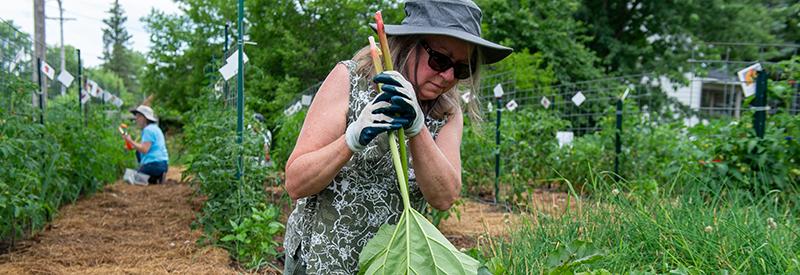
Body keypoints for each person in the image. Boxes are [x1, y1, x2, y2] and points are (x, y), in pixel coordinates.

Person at [282, 0, 512, 273]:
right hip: (321, 259)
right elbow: (295, 183)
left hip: (394, 264)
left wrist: (418, 129)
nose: (448, 76)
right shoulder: (352, 80)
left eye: (462, 69)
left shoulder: (447, 112)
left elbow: (444, 197)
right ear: (409, 44)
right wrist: (351, 139)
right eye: (440, 59)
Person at [122, 105, 169, 184]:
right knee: (137, 152)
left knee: (128, 177)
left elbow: (144, 149)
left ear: (144, 118)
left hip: (153, 164)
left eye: (138, 117)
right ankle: (155, 178)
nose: (136, 119)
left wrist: (130, 141)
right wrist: (133, 146)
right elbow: (149, 147)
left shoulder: (148, 130)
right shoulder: (155, 128)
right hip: (162, 164)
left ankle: (149, 178)